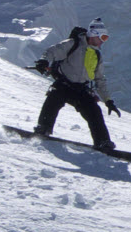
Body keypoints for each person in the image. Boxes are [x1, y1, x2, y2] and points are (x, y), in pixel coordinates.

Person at [32, 17, 122, 150]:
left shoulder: (97, 55)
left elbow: (99, 80)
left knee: (94, 112)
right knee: (53, 100)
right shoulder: (73, 44)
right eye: (102, 37)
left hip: (81, 90)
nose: (103, 41)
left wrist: (108, 101)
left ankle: (103, 142)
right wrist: (44, 61)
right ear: (93, 35)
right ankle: (43, 129)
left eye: (106, 38)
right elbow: (53, 51)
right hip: (64, 84)